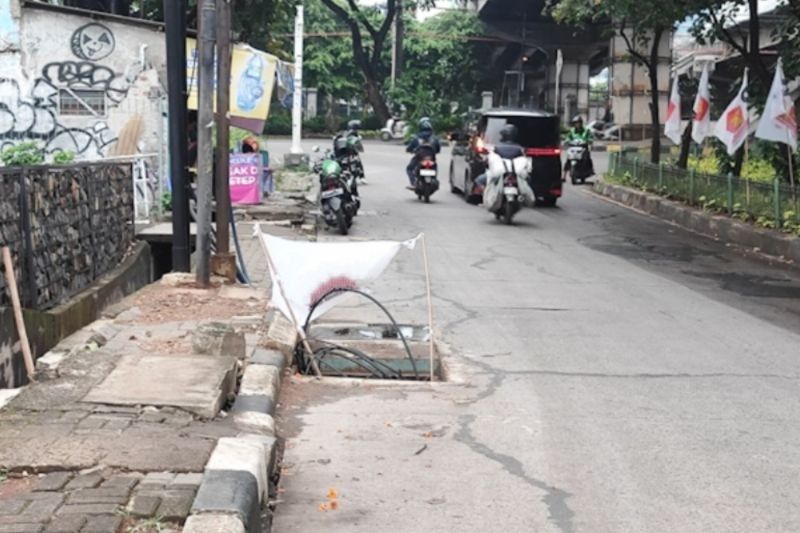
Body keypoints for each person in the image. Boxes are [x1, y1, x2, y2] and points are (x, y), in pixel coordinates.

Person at [474, 124, 525, 190]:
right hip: (517, 174)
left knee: (478, 180)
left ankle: (486, 194)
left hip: (499, 174)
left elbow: (488, 161)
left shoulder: (497, 148)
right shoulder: (520, 149)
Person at [405, 117, 441, 190]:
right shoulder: (434, 138)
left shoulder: (416, 137)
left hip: (419, 158)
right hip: (431, 158)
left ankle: (413, 183)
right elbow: (438, 149)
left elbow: (409, 148)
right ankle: (434, 180)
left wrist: (409, 150)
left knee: (409, 169)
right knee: (435, 167)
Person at [563, 115, 594, 181]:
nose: (577, 124)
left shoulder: (586, 130)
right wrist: (566, 141)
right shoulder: (572, 131)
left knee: (587, 158)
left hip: (583, 148)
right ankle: (564, 176)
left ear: (581, 123)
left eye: (578, 123)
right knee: (568, 159)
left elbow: (590, 138)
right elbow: (568, 137)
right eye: (575, 123)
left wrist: (588, 141)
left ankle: (589, 171)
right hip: (573, 148)